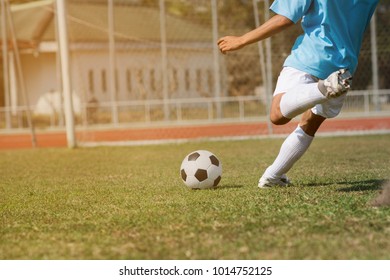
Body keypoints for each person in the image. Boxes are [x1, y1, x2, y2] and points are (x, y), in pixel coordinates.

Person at [217, 0, 379, 188]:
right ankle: (272, 177)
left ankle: (323, 88)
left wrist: (241, 40)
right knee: (310, 123)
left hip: (310, 55)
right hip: (344, 65)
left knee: (277, 114)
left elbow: (285, 18)